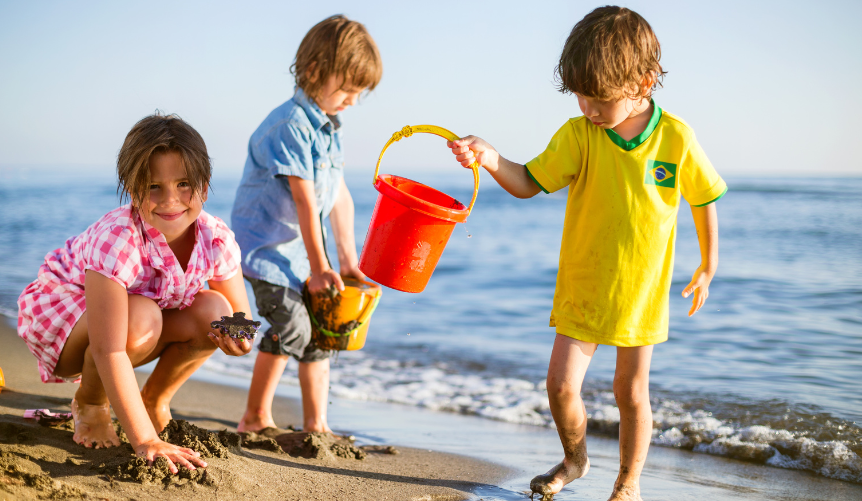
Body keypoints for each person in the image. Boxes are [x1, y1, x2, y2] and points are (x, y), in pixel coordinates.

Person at [448, 6, 726, 501]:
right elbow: (528, 182)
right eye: (580, 95)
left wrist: (708, 264)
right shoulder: (579, 136)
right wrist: (490, 157)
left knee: (631, 393)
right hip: (583, 287)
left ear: (643, 81)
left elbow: (703, 197)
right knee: (559, 387)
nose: (588, 108)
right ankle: (575, 460)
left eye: (599, 98)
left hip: (640, 294)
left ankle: (628, 483)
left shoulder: (675, 138)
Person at [17, 113, 254, 474]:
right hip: (67, 322)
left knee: (215, 310)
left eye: (184, 184)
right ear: (132, 189)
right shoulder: (119, 237)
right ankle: (91, 403)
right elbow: (108, 347)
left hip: (140, 325)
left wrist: (238, 338)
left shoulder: (215, 237)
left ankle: (154, 398)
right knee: (142, 316)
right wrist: (145, 440)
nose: (171, 200)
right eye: (154, 187)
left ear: (205, 187)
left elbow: (241, 316)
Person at [233, 15, 381, 434]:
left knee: (324, 331)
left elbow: (338, 197)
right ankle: (255, 416)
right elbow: (302, 198)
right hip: (270, 253)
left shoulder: (329, 131)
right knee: (290, 325)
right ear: (315, 71)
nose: (353, 99)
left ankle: (317, 424)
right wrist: (319, 268)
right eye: (349, 88)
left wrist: (348, 261)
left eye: (360, 92)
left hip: (303, 254)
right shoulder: (290, 126)